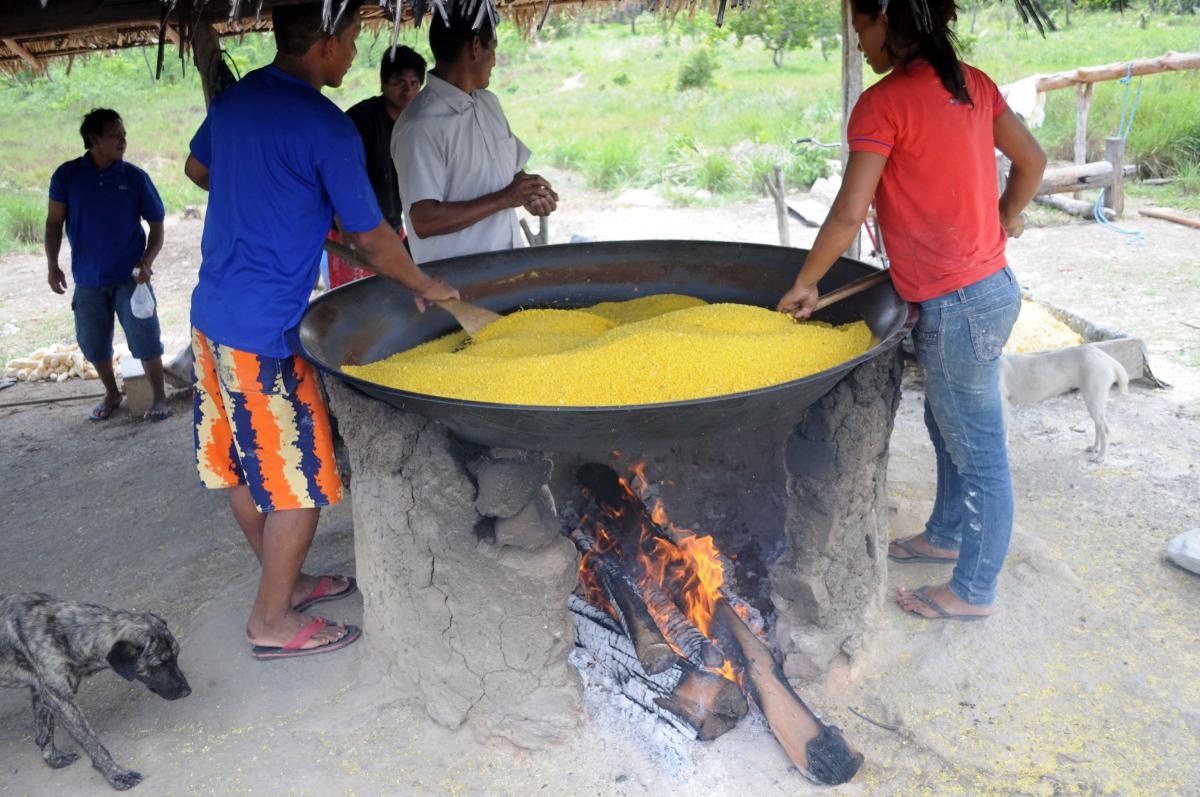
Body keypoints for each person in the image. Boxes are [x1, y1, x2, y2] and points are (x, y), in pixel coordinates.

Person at [183, 0, 458, 659]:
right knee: (300, 480)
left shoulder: (239, 99)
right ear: (327, 44)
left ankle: (287, 583)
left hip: (211, 318)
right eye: (355, 39)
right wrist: (425, 285)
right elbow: (371, 236)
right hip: (264, 332)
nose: (357, 53)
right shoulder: (325, 125)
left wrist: (264, 196)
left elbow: (198, 170)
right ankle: (271, 620)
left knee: (243, 465)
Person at [776, 0, 1046, 621]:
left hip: (958, 304)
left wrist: (807, 284)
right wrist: (1004, 217)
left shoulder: (884, 103)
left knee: (978, 451)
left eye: (861, 29)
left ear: (886, 22)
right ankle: (946, 533)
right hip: (988, 289)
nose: (859, 42)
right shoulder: (971, 83)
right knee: (947, 424)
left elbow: (849, 212)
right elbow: (1032, 161)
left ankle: (973, 591)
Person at [391, 3, 557, 264]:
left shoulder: (488, 103)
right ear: (476, 47)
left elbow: (513, 174)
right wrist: (505, 198)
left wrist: (531, 192)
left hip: (508, 267)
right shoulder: (420, 125)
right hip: (459, 282)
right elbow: (424, 220)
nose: (494, 61)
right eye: (493, 50)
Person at [45, 108, 171, 422]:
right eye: (115, 135)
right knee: (93, 342)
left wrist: (147, 262)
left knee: (146, 337)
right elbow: (53, 223)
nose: (123, 140)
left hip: (132, 277)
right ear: (94, 139)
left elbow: (157, 225)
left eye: (123, 134)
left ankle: (159, 398)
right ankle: (112, 393)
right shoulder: (67, 176)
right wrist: (52, 265)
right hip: (88, 279)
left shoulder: (134, 177)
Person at [327, 45, 428, 287]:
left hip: (392, 227)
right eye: (399, 82)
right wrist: (347, 233)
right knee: (353, 296)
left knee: (393, 293)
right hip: (351, 231)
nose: (407, 90)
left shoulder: (418, 122)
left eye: (414, 83)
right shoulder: (358, 122)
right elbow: (335, 181)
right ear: (383, 83)